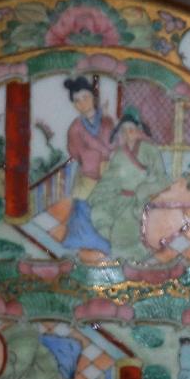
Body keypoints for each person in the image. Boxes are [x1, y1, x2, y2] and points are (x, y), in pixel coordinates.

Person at [87, 107, 171, 261]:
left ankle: (135, 262)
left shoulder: (150, 150)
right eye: (124, 131)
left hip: (141, 201)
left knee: (127, 230)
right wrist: (97, 194)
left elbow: (163, 179)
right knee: (99, 214)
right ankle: (118, 259)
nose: (127, 134)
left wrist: (144, 189)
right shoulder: (118, 154)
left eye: (131, 129)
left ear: (138, 130)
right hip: (120, 199)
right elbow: (109, 179)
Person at [59, 76, 114, 254]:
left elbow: (113, 143)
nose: (82, 103)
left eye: (85, 97)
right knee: (83, 207)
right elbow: (75, 150)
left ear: (93, 97)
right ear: (74, 105)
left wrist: (103, 154)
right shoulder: (75, 127)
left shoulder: (106, 121)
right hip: (87, 172)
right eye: (77, 100)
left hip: (106, 170)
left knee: (105, 206)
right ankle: (81, 239)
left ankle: (103, 240)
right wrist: (92, 157)